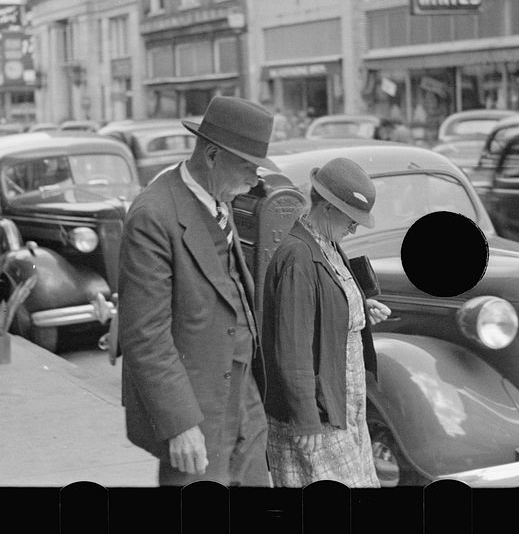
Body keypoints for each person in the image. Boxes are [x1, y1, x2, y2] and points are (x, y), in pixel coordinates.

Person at [116, 95, 276, 486]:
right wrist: (180, 424)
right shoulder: (153, 215)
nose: (254, 180)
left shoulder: (217, 197)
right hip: (196, 405)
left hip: (243, 395)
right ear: (211, 155)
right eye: (247, 167)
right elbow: (145, 336)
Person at [262, 157, 392, 487]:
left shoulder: (327, 243)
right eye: (352, 219)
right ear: (329, 208)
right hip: (317, 414)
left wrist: (361, 309)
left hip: (341, 405)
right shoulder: (298, 256)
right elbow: (291, 346)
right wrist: (305, 418)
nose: (356, 227)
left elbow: (326, 304)